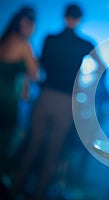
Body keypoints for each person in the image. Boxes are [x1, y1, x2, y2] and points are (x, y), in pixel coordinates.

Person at [12, 4, 105, 199]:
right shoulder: (85, 44)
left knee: (32, 145)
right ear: (79, 19)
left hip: (45, 96)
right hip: (66, 102)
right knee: (53, 151)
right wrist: (85, 86)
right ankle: (39, 193)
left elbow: (40, 66)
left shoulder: (50, 39)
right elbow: (102, 69)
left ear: (64, 17)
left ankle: (15, 189)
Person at [0, 6, 39, 178]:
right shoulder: (24, 45)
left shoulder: (4, 40)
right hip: (8, 99)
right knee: (8, 139)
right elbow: (35, 74)